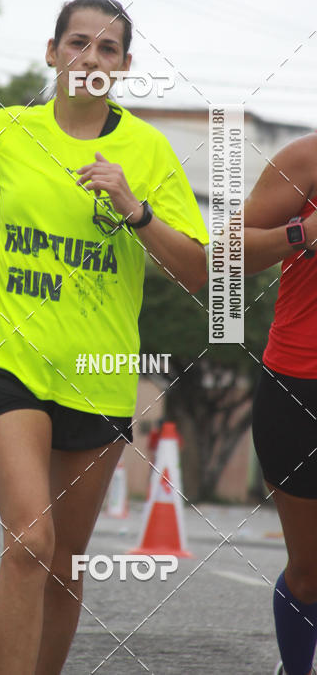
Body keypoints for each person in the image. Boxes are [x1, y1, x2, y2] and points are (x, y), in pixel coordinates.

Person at [0, 0, 209, 675]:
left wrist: (135, 209)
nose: (90, 57)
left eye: (107, 48)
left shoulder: (147, 149)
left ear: (125, 66)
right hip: (4, 355)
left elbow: (200, 272)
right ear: (53, 52)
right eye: (78, 42)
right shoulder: (5, 128)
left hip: (98, 372)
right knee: (30, 540)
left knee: (63, 560)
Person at [245, 133, 317, 675]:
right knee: (311, 570)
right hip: (299, 384)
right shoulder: (306, 158)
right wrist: (305, 233)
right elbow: (229, 252)